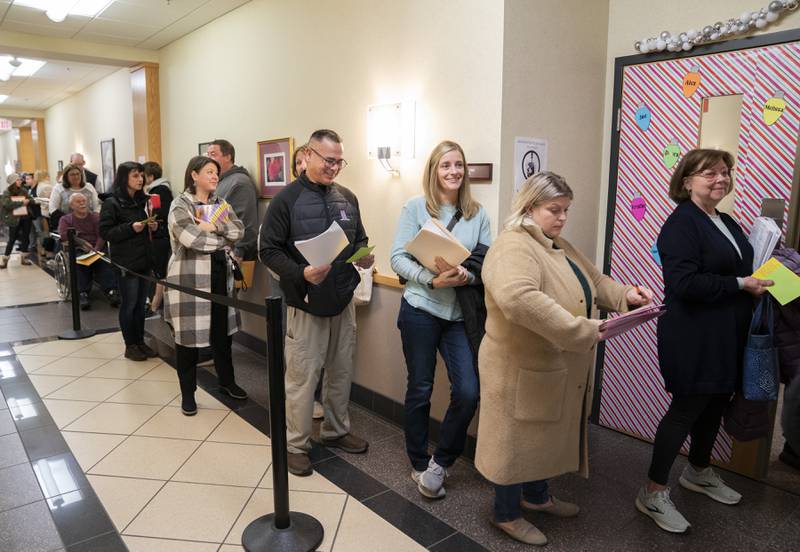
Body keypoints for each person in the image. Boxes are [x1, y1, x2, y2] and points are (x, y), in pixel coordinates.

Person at [476, 172, 651, 546]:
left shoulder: (559, 245)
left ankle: (536, 497)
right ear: (529, 207)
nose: (562, 218)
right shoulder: (513, 247)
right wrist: (581, 330)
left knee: (541, 438)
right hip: (517, 367)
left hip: (548, 366)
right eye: (554, 210)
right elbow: (520, 300)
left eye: (566, 210)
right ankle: (505, 513)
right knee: (515, 442)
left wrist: (625, 296)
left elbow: (595, 280)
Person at [637, 149, 772, 533]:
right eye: (709, 172)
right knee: (686, 409)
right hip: (693, 335)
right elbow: (683, 284)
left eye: (725, 172)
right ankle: (652, 491)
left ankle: (697, 471)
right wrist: (740, 284)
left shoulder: (725, 220)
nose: (720, 178)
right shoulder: (681, 224)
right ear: (686, 181)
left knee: (714, 405)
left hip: (727, 334)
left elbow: (742, 268)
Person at [259, 129, 373, 476]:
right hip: (306, 303)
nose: (335, 167)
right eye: (329, 160)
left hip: (342, 301)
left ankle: (336, 431)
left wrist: (364, 258)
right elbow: (268, 251)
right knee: (302, 377)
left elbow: (360, 239)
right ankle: (295, 444)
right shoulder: (286, 200)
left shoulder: (348, 198)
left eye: (340, 161)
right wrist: (300, 273)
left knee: (340, 372)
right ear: (308, 155)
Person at [390, 140, 491, 499]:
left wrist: (466, 276)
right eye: (445, 165)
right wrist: (430, 279)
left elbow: (486, 262)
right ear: (434, 170)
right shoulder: (416, 208)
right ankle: (419, 461)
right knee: (420, 388)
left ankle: (441, 462)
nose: (453, 172)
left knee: (468, 392)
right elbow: (398, 259)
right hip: (420, 308)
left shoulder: (478, 213)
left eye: (458, 165)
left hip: (459, 316)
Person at [164, 156, 247, 415]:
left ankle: (227, 382)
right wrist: (222, 240)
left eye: (216, 173)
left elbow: (239, 231)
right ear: (194, 175)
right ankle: (188, 394)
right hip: (189, 280)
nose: (214, 177)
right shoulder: (181, 205)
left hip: (220, 277)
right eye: (209, 172)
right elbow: (192, 239)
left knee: (223, 336)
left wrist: (215, 227)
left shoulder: (219, 204)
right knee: (187, 340)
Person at [99, 161, 159, 362]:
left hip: (144, 259)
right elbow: (106, 232)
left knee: (141, 303)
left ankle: (140, 342)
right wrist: (130, 228)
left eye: (141, 175)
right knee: (130, 304)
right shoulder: (112, 202)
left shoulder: (143, 200)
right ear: (124, 178)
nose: (140, 179)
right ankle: (130, 345)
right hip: (125, 262)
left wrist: (152, 227)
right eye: (135, 176)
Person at [58, 194, 119, 310]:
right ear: (71, 205)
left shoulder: (96, 217)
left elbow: (102, 235)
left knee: (104, 262)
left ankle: (111, 291)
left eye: (84, 201)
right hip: (78, 248)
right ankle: (82, 293)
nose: (82, 203)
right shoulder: (66, 220)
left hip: (97, 248)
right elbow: (64, 235)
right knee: (80, 264)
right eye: (78, 202)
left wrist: (95, 249)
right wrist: (81, 242)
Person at [206, 140, 258, 262]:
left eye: (213, 154)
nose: (209, 159)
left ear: (228, 157)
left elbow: (246, 220)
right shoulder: (219, 181)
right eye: (207, 155)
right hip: (218, 250)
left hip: (235, 254)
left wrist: (239, 251)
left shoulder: (239, 183)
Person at [143, 161, 174, 316]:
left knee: (159, 270)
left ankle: (155, 304)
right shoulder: (160, 189)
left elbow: (159, 212)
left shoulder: (158, 191)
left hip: (160, 235)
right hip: (159, 234)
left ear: (150, 176)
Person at [49, 163, 101, 231]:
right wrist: (68, 221)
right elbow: (52, 209)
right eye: (72, 174)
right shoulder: (59, 188)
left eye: (77, 174)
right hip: (68, 225)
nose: (76, 177)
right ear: (66, 176)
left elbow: (97, 206)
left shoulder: (89, 187)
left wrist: (94, 219)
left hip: (89, 224)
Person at [0, 173, 33, 268]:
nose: (20, 181)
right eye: (18, 180)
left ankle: (24, 258)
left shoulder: (23, 190)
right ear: (13, 182)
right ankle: (5, 258)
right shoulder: (7, 192)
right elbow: (7, 204)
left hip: (26, 217)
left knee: (26, 237)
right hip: (14, 218)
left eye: (20, 180)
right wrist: (21, 202)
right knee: (12, 239)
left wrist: (29, 201)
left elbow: (30, 199)